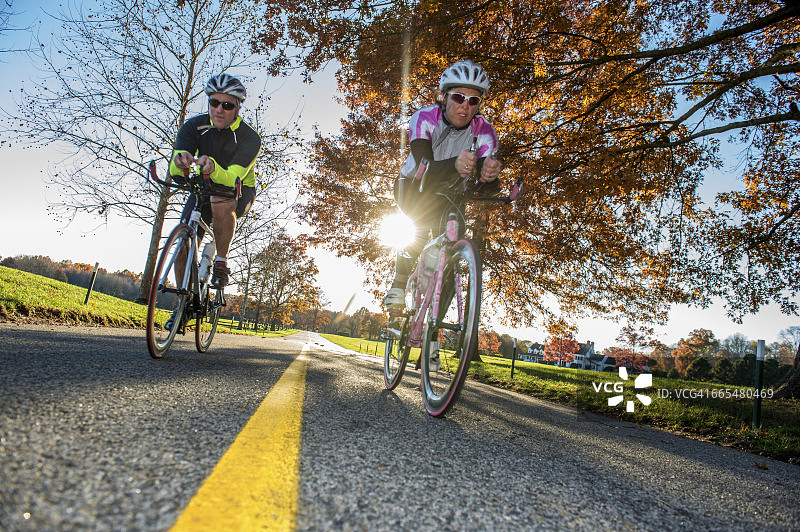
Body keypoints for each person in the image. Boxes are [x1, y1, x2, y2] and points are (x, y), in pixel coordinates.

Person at [385, 60, 503, 311]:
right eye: (459, 97)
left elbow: (484, 187)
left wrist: (489, 177)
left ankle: (434, 327)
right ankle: (399, 283)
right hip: (413, 185)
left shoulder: (484, 132)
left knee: (453, 246)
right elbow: (423, 168)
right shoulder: (424, 118)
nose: (465, 106)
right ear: (444, 97)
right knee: (419, 225)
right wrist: (455, 165)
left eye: (474, 101)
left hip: (451, 195)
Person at [166, 73, 261, 330]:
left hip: (238, 190)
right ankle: (182, 306)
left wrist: (211, 167)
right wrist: (180, 163)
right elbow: (175, 171)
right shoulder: (192, 127)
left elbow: (231, 178)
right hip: (204, 186)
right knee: (182, 245)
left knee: (221, 198)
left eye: (227, 105)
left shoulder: (249, 138)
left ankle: (221, 259)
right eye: (214, 103)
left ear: (238, 107)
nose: (219, 109)